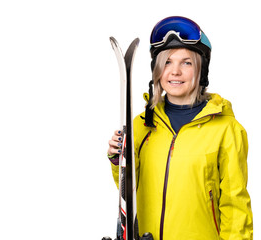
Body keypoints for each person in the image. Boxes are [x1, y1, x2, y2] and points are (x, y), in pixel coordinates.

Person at [107, 16, 253, 240]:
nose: (175, 71)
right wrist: (119, 161)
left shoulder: (226, 129)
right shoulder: (141, 124)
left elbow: (235, 204)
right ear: (157, 70)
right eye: (167, 62)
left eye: (186, 62)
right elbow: (131, 191)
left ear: (201, 70)